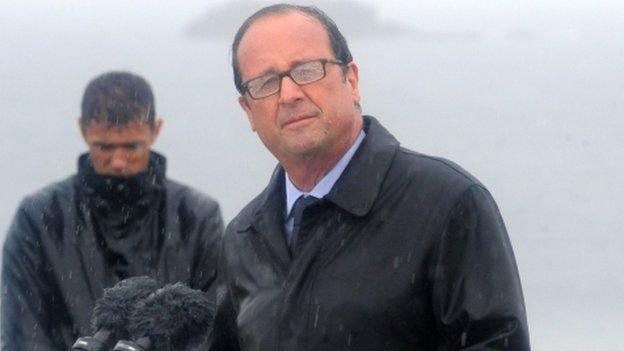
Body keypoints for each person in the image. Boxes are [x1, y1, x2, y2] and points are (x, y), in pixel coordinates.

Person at [209, 4, 530, 351]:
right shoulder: (245, 238)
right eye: (267, 82)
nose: (289, 95)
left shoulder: (446, 204)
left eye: (306, 70)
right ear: (248, 111)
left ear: (352, 80)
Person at [1, 71, 224, 350]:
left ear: (155, 130)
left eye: (131, 146)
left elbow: (214, 330)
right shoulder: (39, 217)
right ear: (83, 130)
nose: (118, 162)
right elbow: (23, 334)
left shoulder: (197, 216)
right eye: (105, 147)